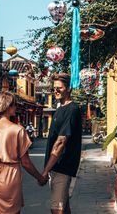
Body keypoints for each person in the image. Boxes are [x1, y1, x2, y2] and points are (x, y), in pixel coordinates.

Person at [0, 91, 47, 214]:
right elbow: (25, 162)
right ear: (8, 107)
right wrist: (40, 178)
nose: (16, 107)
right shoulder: (18, 130)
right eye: (14, 105)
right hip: (9, 182)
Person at [41, 73, 82, 214]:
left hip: (63, 167)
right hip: (56, 167)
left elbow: (60, 142)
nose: (56, 91)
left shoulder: (72, 110)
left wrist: (45, 171)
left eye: (59, 88)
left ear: (69, 89)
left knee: (56, 209)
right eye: (54, 88)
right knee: (64, 208)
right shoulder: (59, 109)